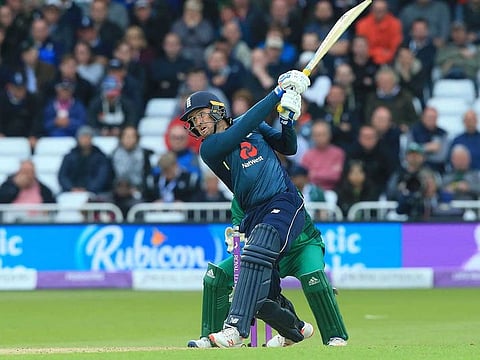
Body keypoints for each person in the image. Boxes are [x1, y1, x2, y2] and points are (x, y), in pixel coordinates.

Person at [179, 69, 313, 348]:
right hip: (254, 212)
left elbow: (288, 147)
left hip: (284, 201)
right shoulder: (210, 148)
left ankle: (236, 329)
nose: (197, 123)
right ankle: (296, 329)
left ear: (217, 110)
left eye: (200, 115)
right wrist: (277, 93)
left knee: (255, 252)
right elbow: (241, 128)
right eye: (193, 120)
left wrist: (287, 120)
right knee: (264, 294)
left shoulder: (251, 125)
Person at [187, 196, 348, 348]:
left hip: (302, 245)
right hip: (266, 250)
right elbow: (241, 229)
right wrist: (237, 238)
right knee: (217, 276)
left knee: (314, 280)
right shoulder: (240, 197)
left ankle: (335, 336)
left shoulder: (283, 186)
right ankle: (210, 338)